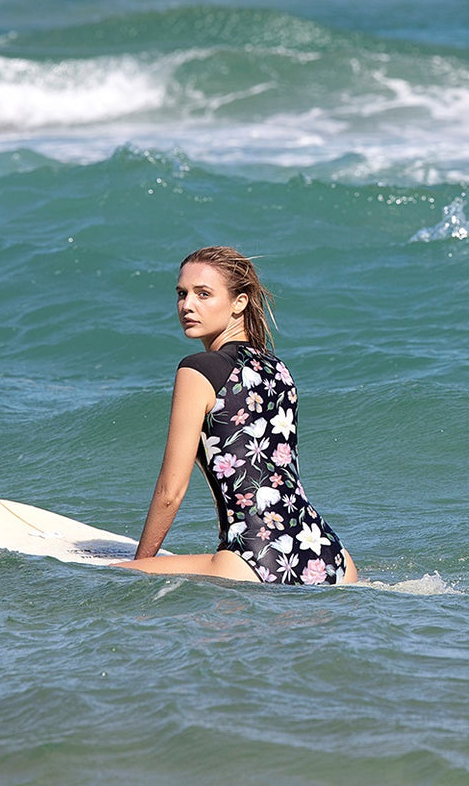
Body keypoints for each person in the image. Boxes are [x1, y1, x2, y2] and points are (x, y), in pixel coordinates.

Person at [116, 246, 357, 585]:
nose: (187, 305)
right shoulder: (278, 369)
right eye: (182, 294)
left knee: (108, 579)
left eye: (203, 294)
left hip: (255, 557)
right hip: (328, 553)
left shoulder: (197, 370)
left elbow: (171, 491)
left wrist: (139, 568)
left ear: (239, 302)